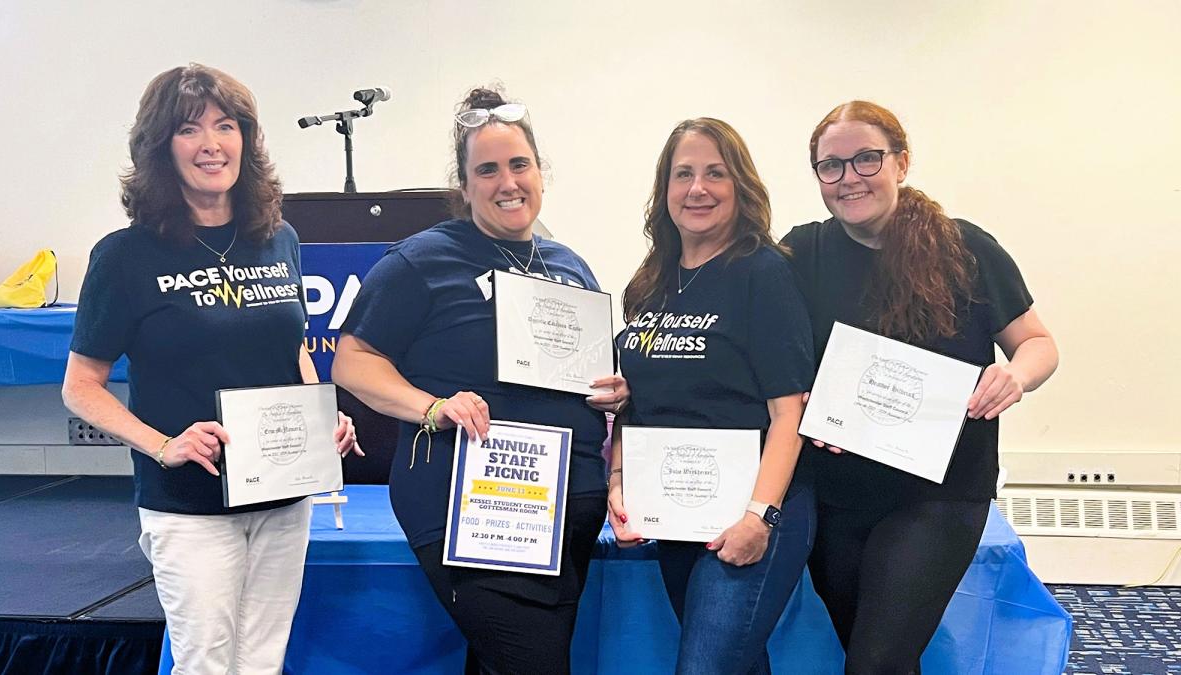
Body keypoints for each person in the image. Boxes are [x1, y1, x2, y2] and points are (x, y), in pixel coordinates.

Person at [61, 63, 361, 673]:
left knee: (263, 660)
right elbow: (81, 386)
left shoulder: (279, 237)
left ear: (246, 141)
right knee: (206, 662)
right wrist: (163, 444)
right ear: (159, 147)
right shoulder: (124, 256)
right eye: (190, 130)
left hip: (281, 495)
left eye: (226, 126)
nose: (211, 145)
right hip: (189, 504)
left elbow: (293, 349)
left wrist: (320, 416)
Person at [331, 86, 628, 675]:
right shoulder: (420, 261)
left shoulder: (569, 264)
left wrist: (614, 390)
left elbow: (590, 376)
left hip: (570, 502)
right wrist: (432, 406)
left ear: (540, 172)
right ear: (464, 186)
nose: (507, 181)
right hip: (470, 503)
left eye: (519, 164)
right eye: (486, 170)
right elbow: (352, 361)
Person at [783, 100, 1059, 674]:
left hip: (940, 493)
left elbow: (1037, 345)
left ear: (901, 163)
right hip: (836, 494)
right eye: (829, 166)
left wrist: (1015, 376)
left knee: (875, 664)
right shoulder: (802, 252)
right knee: (878, 656)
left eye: (865, 159)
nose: (848, 178)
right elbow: (776, 355)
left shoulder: (967, 249)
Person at [606, 118, 816, 674]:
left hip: (755, 509)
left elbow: (789, 411)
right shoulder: (650, 281)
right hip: (676, 510)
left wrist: (759, 517)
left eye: (714, 173)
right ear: (665, 190)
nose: (697, 188)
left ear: (740, 186)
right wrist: (620, 483)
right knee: (736, 667)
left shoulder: (762, 272)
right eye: (683, 174)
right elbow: (636, 402)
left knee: (705, 668)